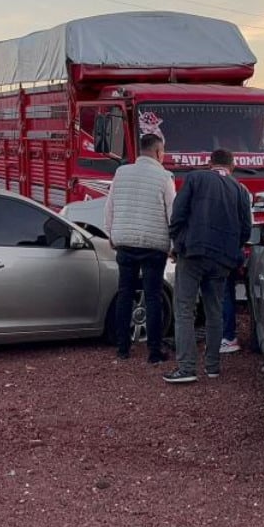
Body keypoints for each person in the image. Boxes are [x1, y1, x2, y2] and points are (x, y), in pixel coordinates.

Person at [165, 148, 251, 384]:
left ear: (210, 162)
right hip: (222, 260)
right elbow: (246, 228)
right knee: (215, 311)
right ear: (231, 166)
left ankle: (186, 368)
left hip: (193, 253)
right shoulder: (240, 190)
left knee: (184, 309)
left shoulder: (195, 178)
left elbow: (178, 214)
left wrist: (176, 242)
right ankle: (213, 366)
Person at [103, 134, 176, 363]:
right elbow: (172, 213)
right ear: (157, 152)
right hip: (153, 245)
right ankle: (154, 351)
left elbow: (109, 207)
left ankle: (123, 348)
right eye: (162, 152)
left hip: (124, 242)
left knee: (125, 293)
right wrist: (173, 245)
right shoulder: (165, 177)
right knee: (153, 296)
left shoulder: (121, 173)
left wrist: (112, 235)